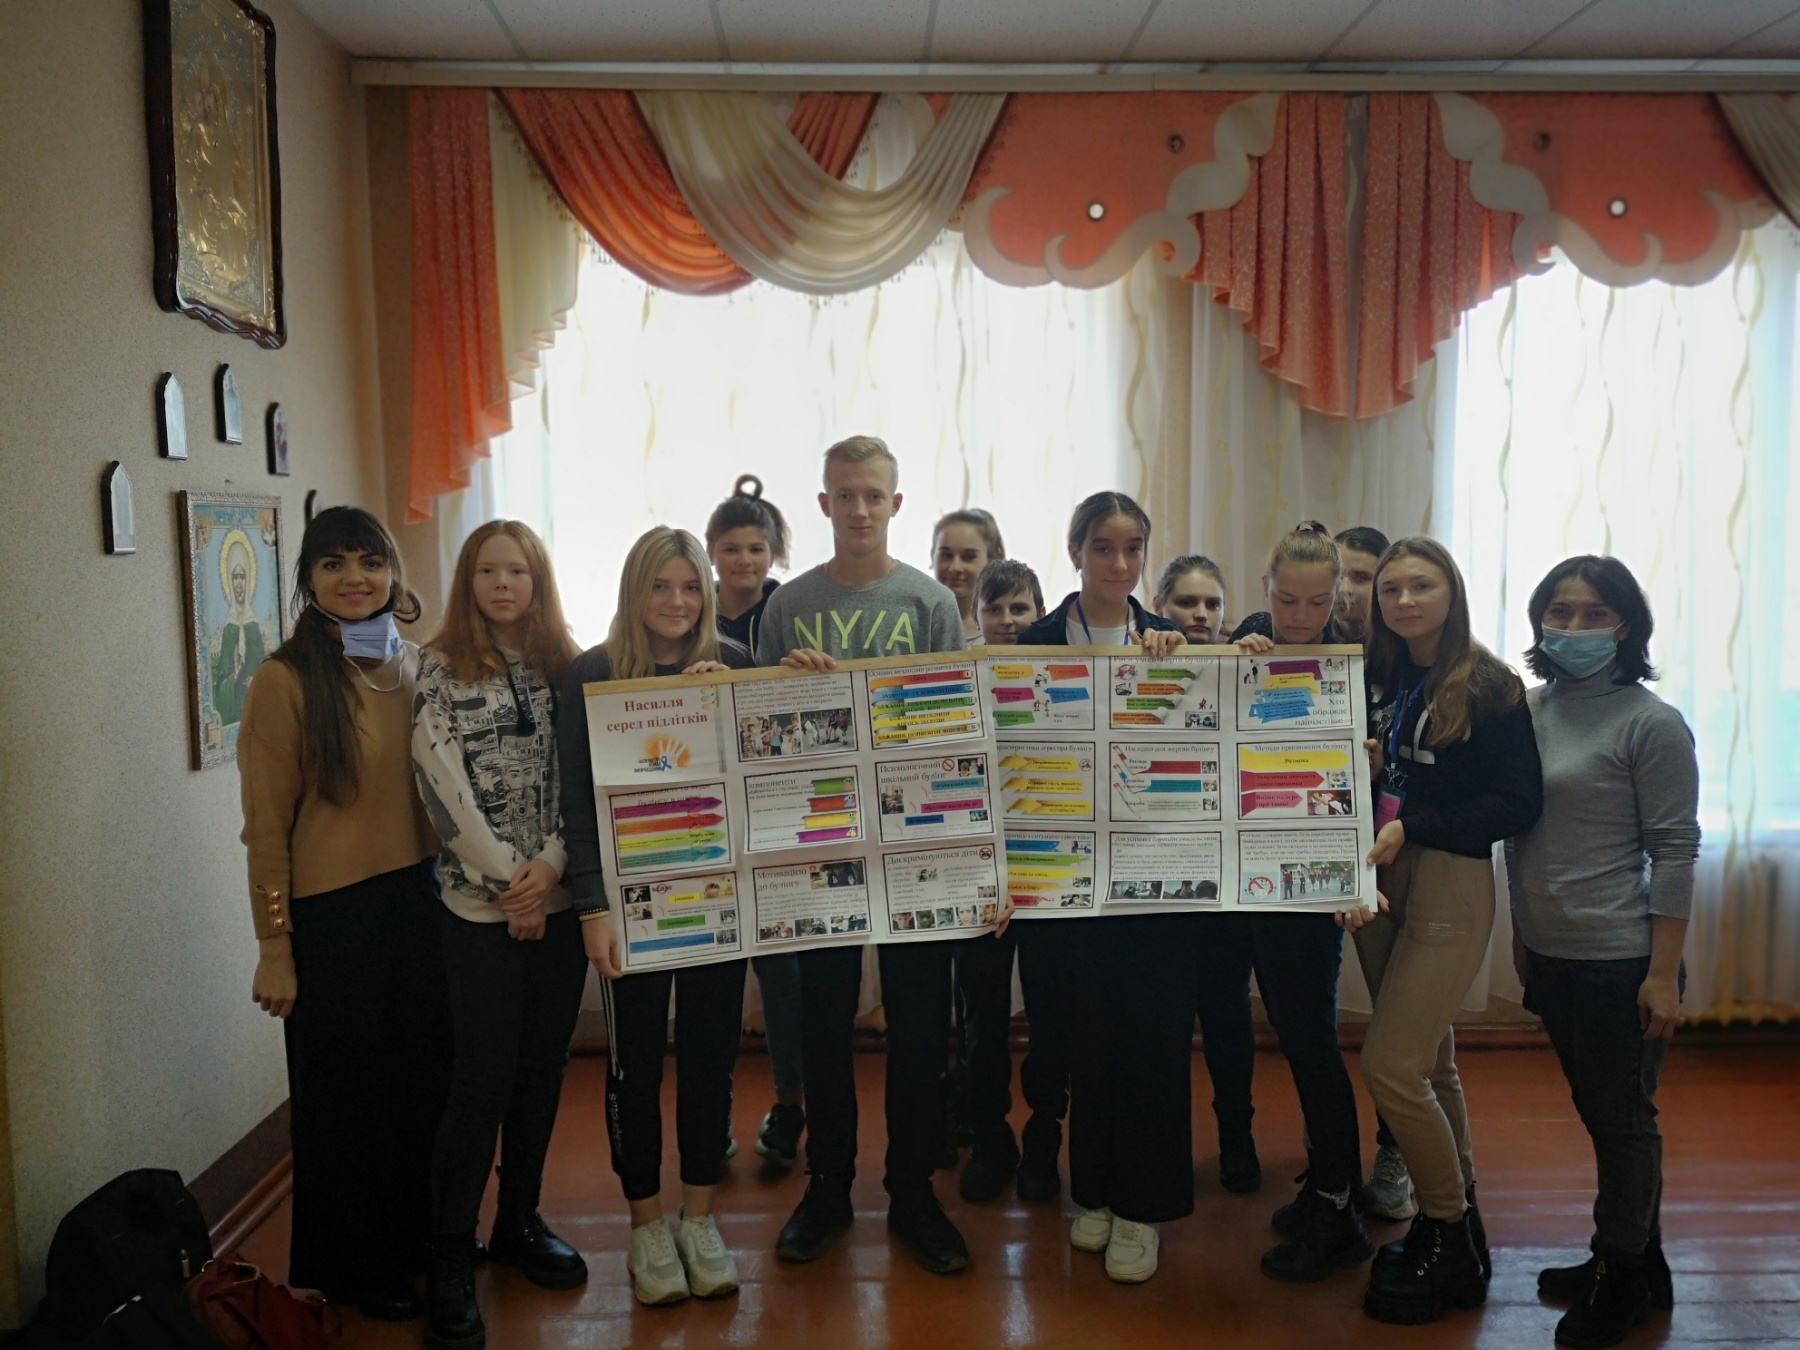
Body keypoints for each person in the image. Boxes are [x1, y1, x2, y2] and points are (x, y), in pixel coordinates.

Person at [757, 435, 986, 1276]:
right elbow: (764, 735)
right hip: (819, 841)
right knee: (822, 1022)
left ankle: (913, 1191)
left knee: (919, 1027)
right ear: (824, 504)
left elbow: (954, 728)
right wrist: (792, 688)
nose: (859, 509)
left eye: (874, 496)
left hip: (913, 842)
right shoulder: (787, 607)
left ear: (896, 504)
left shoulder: (929, 602)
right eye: (845, 495)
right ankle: (827, 1186)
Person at [237, 506, 451, 1320]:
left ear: (393, 572)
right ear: (308, 579)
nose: (355, 578)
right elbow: (264, 829)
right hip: (333, 919)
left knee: (419, 1085)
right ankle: (355, 1266)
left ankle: (413, 1238)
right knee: (347, 1103)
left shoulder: (415, 665)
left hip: (420, 903)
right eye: (334, 564)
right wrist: (275, 946)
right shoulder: (283, 680)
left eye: (369, 561)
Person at [1344, 536, 1543, 1326]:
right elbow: (1396, 771)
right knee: (1432, 1061)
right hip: (1382, 873)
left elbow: (1517, 803)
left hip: (1447, 876)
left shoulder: (1490, 685)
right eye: (1391, 589)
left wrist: (1415, 823)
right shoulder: (1382, 673)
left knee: (1391, 1065)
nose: (1403, 600)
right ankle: (1461, 1220)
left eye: (1420, 586)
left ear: (1451, 592)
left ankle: (1445, 1224)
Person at [558, 527, 754, 1306]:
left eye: (691, 587)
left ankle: (698, 1217)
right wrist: (592, 907)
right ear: (634, 591)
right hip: (630, 910)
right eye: (661, 586)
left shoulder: (734, 663)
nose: (677, 602)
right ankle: (645, 1223)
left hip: (716, 905)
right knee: (634, 1069)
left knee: (710, 1062)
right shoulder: (592, 673)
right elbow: (577, 802)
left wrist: (758, 690)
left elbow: (772, 766)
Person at [1506, 556, 1697, 1349]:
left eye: (1594, 614)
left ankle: (1620, 1277)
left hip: (1622, 957)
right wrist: (1522, 939)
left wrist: (1661, 975)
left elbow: (1675, 851)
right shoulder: (1527, 712)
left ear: (1626, 626)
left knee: (1621, 1122)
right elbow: (1519, 835)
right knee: (1604, 1114)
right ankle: (1640, 1261)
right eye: (1560, 612)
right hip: (1552, 951)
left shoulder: (1651, 723)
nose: (1574, 627)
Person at [411, 522, 589, 1345]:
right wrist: (510, 885)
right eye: (488, 570)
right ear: (469, 581)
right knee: (482, 1080)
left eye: (519, 570)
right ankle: (451, 1253)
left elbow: (581, 777)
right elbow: (440, 785)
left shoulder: (567, 667)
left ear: (538, 580)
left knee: (542, 1072)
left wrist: (549, 867)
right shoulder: (438, 668)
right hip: (476, 911)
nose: (504, 583)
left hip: (557, 901)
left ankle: (519, 1220)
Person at [1016, 492, 1190, 1284]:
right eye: (1102, 548)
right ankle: (1093, 1191)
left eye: (1132, 549)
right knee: (1083, 1037)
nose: (1119, 564)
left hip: (1155, 883)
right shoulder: (1033, 644)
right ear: (1075, 552)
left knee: (1150, 1040)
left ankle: (1143, 1206)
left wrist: (1197, 657)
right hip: (1064, 880)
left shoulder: (1173, 643)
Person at [1230, 526, 1379, 1282]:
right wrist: (1233, 659)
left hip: (1314, 883)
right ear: (1266, 589)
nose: (1300, 616)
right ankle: (1326, 1182)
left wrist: (1370, 757)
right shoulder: (1247, 643)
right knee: (1293, 1037)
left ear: (1338, 596)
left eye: (1318, 602)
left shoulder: (1356, 662)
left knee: (1313, 1040)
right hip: (1248, 874)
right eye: (1286, 599)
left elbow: (1375, 780)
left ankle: (1337, 1204)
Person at [1148, 553, 1264, 1198]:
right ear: (1160, 606)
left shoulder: (1247, 664)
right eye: (1186, 603)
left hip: (1227, 882)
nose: (1199, 614)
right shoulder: (1135, 662)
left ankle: (1236, 1135)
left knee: (1227, 1016)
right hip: (1158, 880)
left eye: (1211, 604)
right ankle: (1164, 1152)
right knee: (1164, 1024)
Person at [707, 477, 808, 1170]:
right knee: (713, 975)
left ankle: (791, 1106)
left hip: (778, 814)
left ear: (774, 553)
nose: (744, 560)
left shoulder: (790, 614)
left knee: (783, 976)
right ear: (711, 551)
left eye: (756, 548)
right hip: (708, 814)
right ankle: (709, 1115)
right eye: (731, 548)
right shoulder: (686, 609)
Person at [933, 508, 1006, 641]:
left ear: (992, 560)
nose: (955, 567)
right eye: (946, 555)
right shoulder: (915, 621)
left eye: (968, 557)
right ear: (933, 555)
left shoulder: (1006, 630)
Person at [1332, 526, 1391, 646]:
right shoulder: (1310, 639)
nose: (1344, 589)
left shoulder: (1407, 644)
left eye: (1361, 578)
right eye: (1337, 576)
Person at [1153, 554, 1229, 645]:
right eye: (1186, 603)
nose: (1201, 614)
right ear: (1158, 606)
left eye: (1213, 605)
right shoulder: (1139, 645)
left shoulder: (1239, 650)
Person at [975, 559, 1045, 647]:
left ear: (1041, 617)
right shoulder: (961, 656)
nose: (1006, 620)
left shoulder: (1059, 656)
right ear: (975, 617)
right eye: (994, 610)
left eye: (1018, 609)